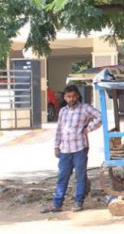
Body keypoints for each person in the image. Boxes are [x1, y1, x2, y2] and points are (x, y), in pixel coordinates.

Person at [41, 85, 102, 213]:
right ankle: (57, 204)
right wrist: (56, 146)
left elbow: (100, 117)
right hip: (65, 150)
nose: (71, 99)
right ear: (64, 97)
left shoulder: (85, 108)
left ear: (78, 96)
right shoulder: (63, 111)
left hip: (80, 148)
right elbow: (59, 130)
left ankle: (78, 202)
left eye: (74, 96)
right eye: (68, 96)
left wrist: (88, 129)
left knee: (80, 176)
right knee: (62, 176)